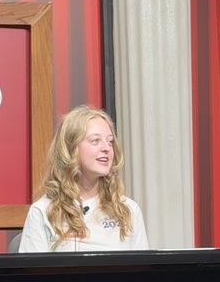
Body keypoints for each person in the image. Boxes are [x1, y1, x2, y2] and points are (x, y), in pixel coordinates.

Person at [18, 105, 148, 253]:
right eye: (95, 141)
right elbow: (31, 275)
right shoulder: (43, 211)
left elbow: (143, 272)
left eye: (110, 141)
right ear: (71, 149)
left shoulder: (128, 210)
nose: (106, 148)